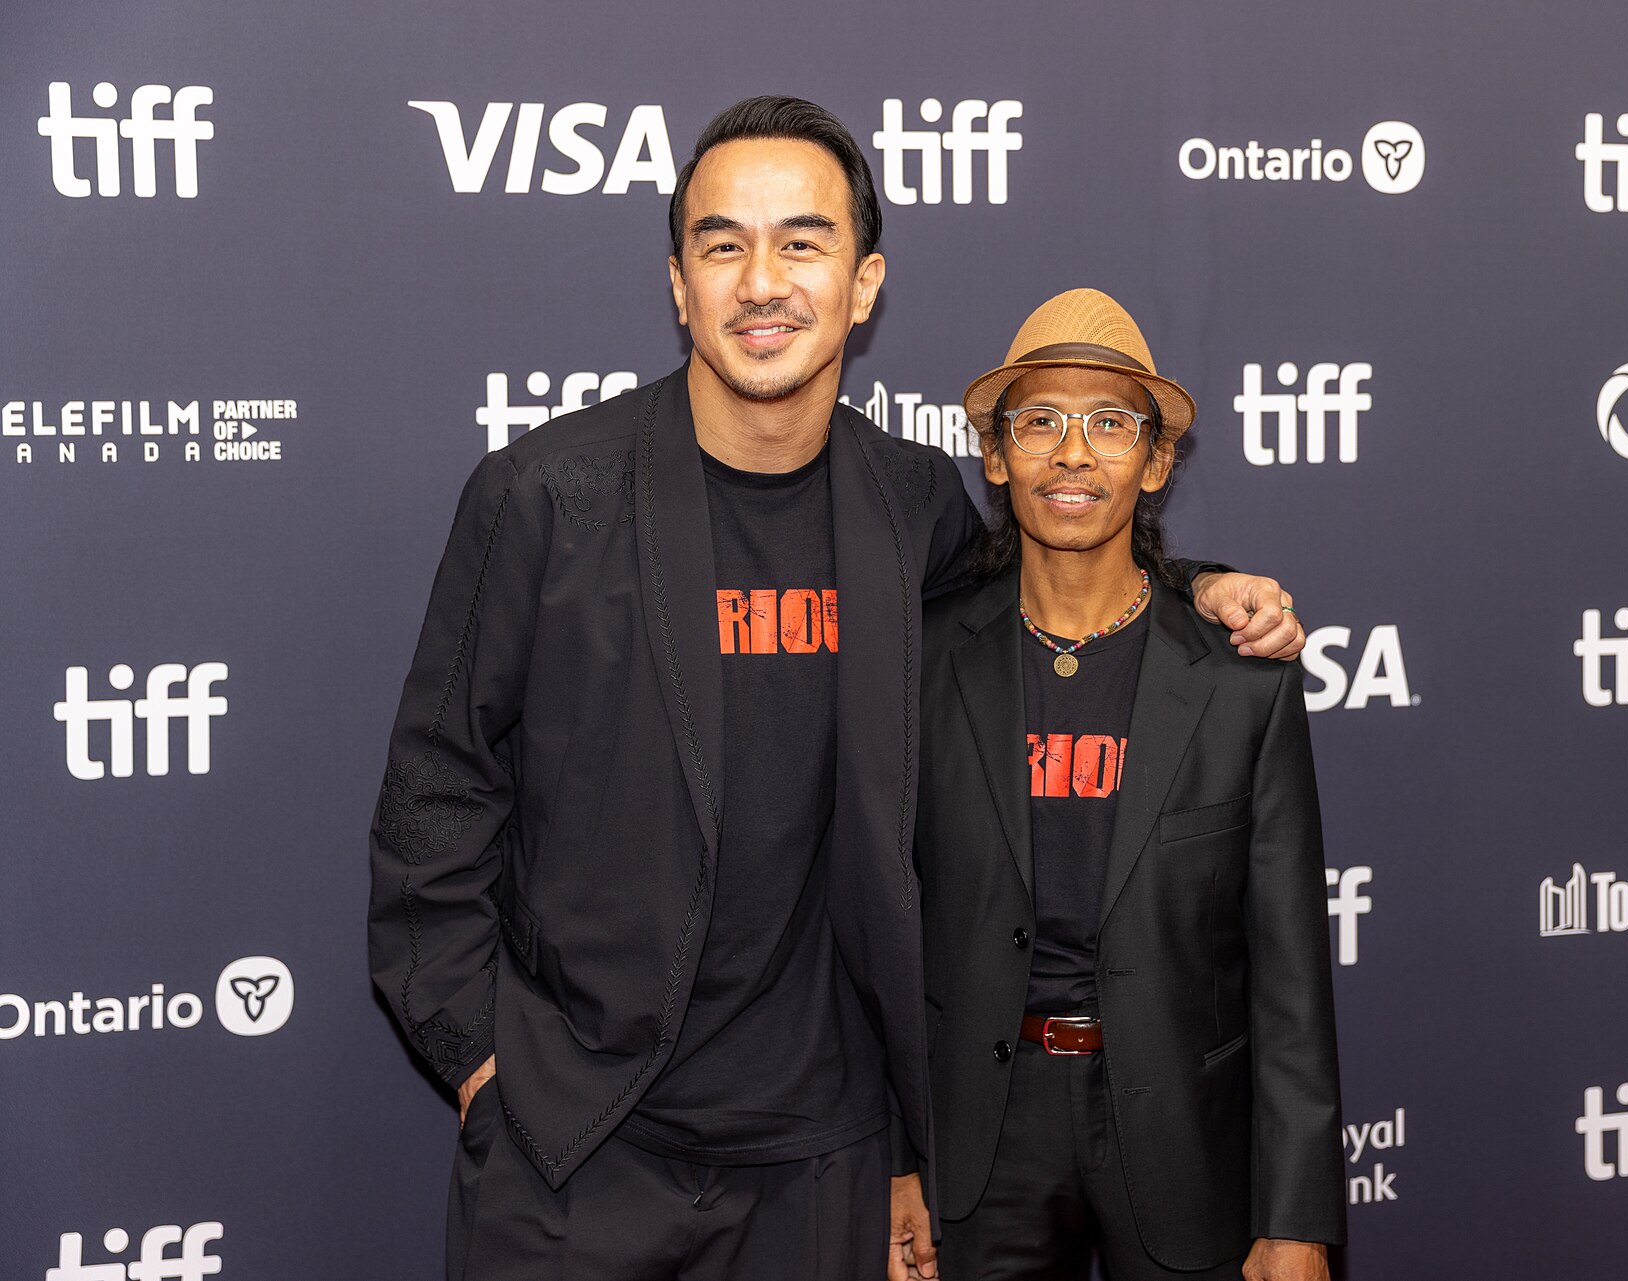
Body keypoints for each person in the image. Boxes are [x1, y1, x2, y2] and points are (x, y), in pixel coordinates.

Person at [368, 97, 1304, 1281]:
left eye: (802, 244)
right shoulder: (545, 498)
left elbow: (1049, 585)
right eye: (723, 245)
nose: (763, 282)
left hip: (824, 1165)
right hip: (577, 1151)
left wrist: (1198, 586)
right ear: (679, 285)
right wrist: (487, 1069)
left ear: (863, 286)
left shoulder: (912, 505)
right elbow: (434, 801)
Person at [891, 290, 1344, 1281]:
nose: (1073, 454)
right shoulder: (923, 662)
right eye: (1040, 423)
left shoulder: (1241, 680)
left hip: (1186, 1132)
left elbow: (1292, 977)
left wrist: (1298, 1216)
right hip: (978, 1137)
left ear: (1156, 461)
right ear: (996, 456)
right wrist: (894, 1161)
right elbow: (876, 930)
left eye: (1109, 424)